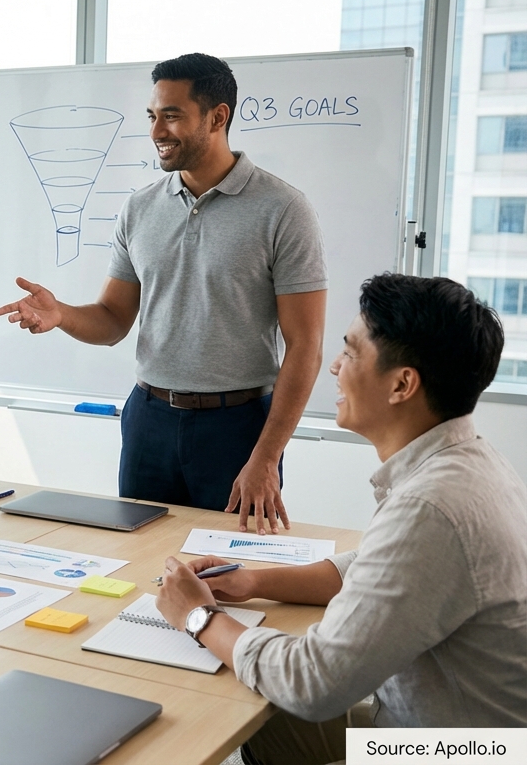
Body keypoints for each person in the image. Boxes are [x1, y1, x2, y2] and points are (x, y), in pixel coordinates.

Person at [156, 274, 527, 761]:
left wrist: (199, 617)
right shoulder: (466, 462)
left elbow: (314, 682)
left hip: (453, 750)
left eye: (350, 352)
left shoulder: (431, 507)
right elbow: (373, 568)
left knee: (267, 701)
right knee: (267, 720)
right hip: (463, 735)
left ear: (401, 384)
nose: (334, 366)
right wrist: (252, 581)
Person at [0, 53, 326, 534]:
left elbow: (306, 347)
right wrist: (61, 314)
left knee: (228, 573)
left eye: (171, 116)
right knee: (135, 566)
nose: (156, 131)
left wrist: (267, 456)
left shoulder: (283, 210)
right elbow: (112, 319)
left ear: (218, 117)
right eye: (153, 116)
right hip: (148, 420)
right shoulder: (140, 208)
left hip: (237, 428)